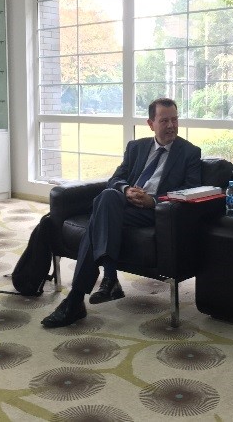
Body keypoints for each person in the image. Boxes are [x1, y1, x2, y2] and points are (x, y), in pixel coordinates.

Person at [41, 97, 202, 328]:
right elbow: (115, 179)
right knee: (108, 196)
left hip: (156, 212)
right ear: (151, 124)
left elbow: (190, 191)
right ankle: (107, 279)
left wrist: (153, 200)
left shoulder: (189, 152)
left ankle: (80, 296)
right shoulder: (136, 148)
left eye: (174, 120)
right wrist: (126, 190)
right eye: (164, 120)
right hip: (124, 206)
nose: (171, 126)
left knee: (99, 215)